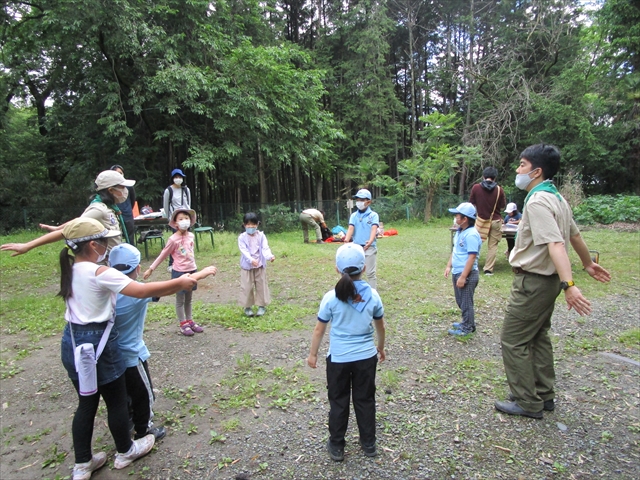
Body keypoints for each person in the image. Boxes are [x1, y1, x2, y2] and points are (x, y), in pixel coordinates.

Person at [57, 217, 197, 479]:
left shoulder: (70, 269)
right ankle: (125, 450)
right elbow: (142, 292)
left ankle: (82, 464)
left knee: (86, 404)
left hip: (73, 342)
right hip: (99, 344)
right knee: (117, 400)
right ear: (94, 245)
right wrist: (181, 282)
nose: (107, 246)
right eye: (104, 242)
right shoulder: (102, 272)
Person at [495, 144, 611, 419]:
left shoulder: (537, 201)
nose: (517, 170)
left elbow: (557, 243)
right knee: (537, 336)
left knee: (513, 340)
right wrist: (587, 263)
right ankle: (543, 394)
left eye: (522, 165)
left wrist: (569, 284)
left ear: (536, 171)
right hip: (545, 283)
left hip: (534, 283)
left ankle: (527, 402)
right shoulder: (557, 198)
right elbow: (575, 236)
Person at [109, 244, 217, 442]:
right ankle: (144, 429)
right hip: (131, 354)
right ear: (138, 268)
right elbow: (176, 284)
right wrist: (203, 272)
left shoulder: (103, 288)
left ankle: (130, 420)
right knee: (144, 393)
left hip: (110, 354)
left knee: (122, 394)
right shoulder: (137, 293)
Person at [307, 243, 386, 462]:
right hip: (366, 357)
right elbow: (380, 326)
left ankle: (337, 445)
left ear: (337, 269)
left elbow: (319, 329)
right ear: (363, 267)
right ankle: (369, 443)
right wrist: (380, 346)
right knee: (365, 399)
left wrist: (313, 354)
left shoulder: (331, 297)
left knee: (339, 401)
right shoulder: (373, 295)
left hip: (339, 359)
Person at [1, 170, 134, 256]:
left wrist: (57, 227)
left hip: (114, 262)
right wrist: (28, 245)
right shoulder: (99, 209)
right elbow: (72, 229)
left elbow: (78, 220)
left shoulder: (109, 207)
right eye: (122, 187)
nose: (125, 191)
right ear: (111, 190)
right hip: (105, 265)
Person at [144, 209, 214, 336]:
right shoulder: (172, 239)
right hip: (179, 273)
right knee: (180, 299)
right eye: (180, 219)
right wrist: (151, 268)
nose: (184, 221)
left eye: (186, 218)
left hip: (192, 270)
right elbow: (163, 255)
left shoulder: (191, 236)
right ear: (175, 223)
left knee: (189, 298)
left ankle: (190, 320)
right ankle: (183, 324)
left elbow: (189, 253)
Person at [444, 202, 482, 336]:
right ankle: (466, 322)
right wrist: (449, 265)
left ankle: (468, 327)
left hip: (467, 274)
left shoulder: (471, 234)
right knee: (460, 301)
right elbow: (455, 251)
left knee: (466, 302)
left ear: (465, 219)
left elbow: (471, 257)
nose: (455, 217)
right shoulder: (460, 232)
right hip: (458, 271)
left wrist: (463, 277)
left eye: (457, 215)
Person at [469, 167, 506, 276]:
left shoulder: (476, 188)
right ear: (495, 178)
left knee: (475, 243)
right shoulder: (499, 190)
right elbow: (503, 206)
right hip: (496, 221)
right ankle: (488, 269)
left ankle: (471, 265)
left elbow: (471, 203)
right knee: (492, 246)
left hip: (481, 221)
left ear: (483, 176)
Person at [238, 212, 275, 317]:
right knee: (246, 286)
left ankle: (261, 306)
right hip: (247, 266)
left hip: (259, 265)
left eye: (253, 224)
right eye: (248, 224)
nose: (251, 227)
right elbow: (243, 251)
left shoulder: (261, 236)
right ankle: (247, 307)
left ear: (257, 224)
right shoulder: (242, 237)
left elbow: (265, 248)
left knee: (261, 285)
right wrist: (250, 260)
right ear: (244, 225)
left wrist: (270, 256)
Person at [344, 189, 380, 289]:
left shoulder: (373, 215)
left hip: (369, 248)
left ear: (368, 202)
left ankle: (373, 294)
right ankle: (353, 291)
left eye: (362, 200)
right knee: (354, 272)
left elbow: (374, 229)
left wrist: (370, 241)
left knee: (370, 273)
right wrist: (346, 240)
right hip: (356, 248)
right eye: (358, 200)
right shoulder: (354, 215)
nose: (359, 202)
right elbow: (351, 228)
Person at [162, 168, 191, 270]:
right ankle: (172, 263)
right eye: (176, 177)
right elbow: (166, 207)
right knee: (176, 241)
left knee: (186, 241)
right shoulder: (168, 191)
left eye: (180, 177)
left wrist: (188, 218)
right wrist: (170, 219)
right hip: (176, 220)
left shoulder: (186, 190)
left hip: (186, 220)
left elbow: (188, 205)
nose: (178, 179)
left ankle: (187, 260)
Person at [110, 165, 137, 244]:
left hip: (127, 215)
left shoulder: (129, 186)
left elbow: (133, 199)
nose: (119, 175)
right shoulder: (109, 188)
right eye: (117, 173)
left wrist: (127, 209)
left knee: (130, 238)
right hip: (114, 216)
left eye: (121, 173)